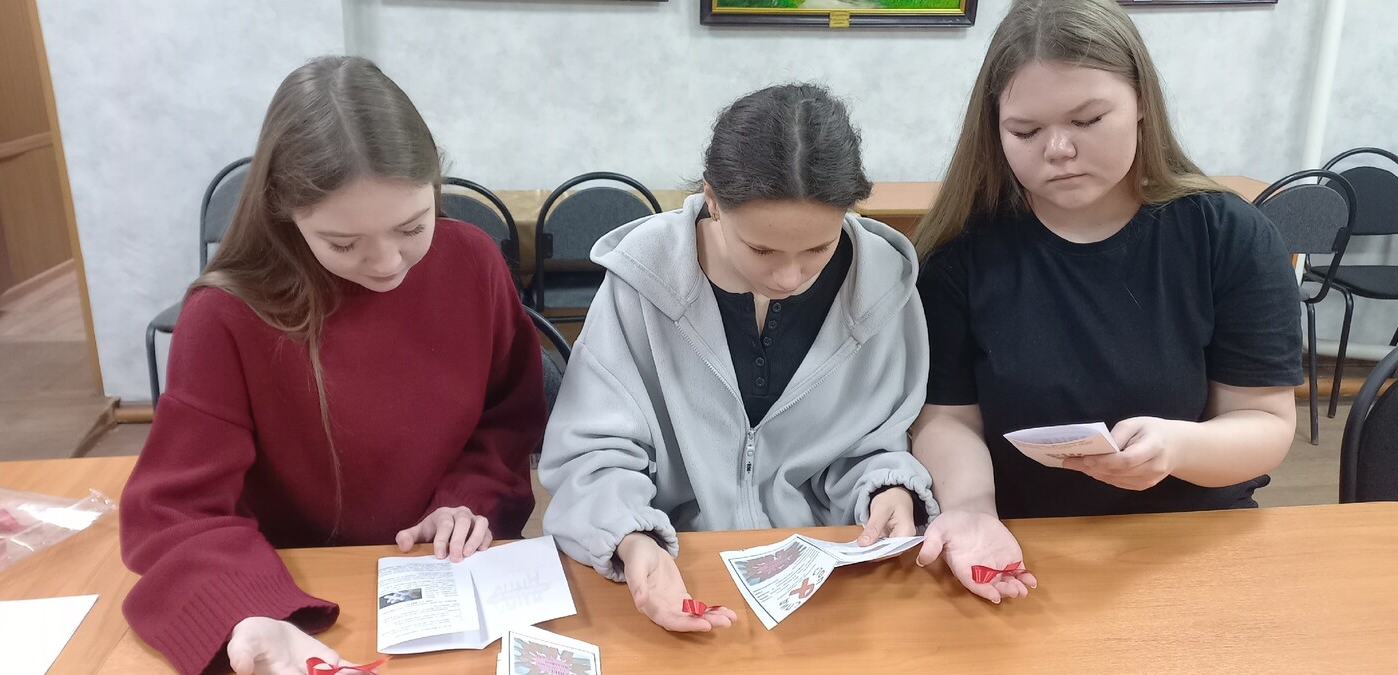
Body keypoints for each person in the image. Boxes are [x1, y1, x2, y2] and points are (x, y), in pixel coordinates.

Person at [119, 56, 546, 675]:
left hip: (451, 581)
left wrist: (469, 499)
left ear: (434, 188)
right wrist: (245, 612)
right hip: (299, 593)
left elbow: (508, 415)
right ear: (286, 214)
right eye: (342, 243)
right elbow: (176, 513)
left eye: (412, 227)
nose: (387, 263)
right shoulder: (225, 316)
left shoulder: (471, 262)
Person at [910, 0, 1302, 604]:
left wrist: (1177, 448)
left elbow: (1265, 422)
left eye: (1088, 120)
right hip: (1024, 545)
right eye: (1025, 131)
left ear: (1141, 101)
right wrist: (971, 508)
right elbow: (947, 418)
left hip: (1191, 541)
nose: (1058, 149)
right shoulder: (960, 255)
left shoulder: (1226, 234)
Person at [539, 83, 939, 632]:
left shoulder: (881, 289)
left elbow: (872, 442)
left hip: (828, 580)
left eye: (818, 249)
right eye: (762, 249)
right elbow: (592, 456)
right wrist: (631, 537)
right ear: (712, 198)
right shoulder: (642, 283)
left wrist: (887, 486)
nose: (789, 277)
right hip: (676, 561)